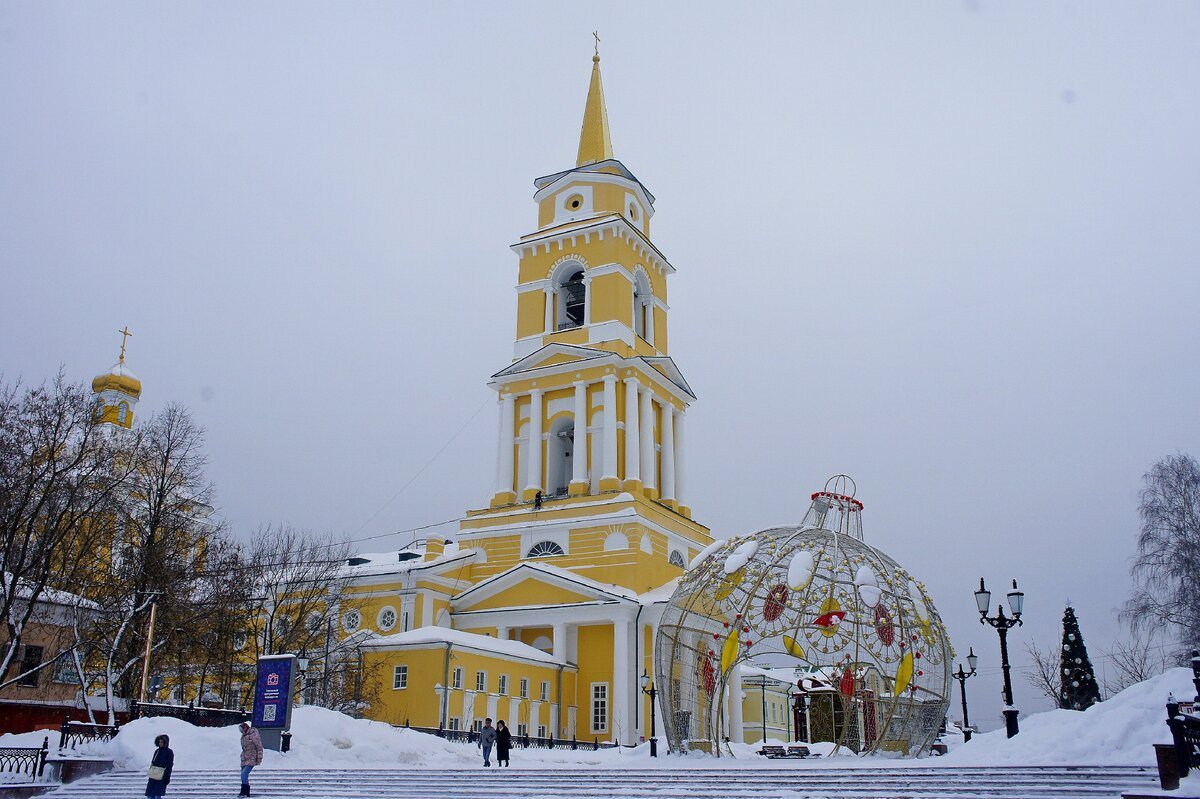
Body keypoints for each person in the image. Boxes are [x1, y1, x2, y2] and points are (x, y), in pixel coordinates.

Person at [239, 722, 264, 796]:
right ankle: (244, 791)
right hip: (244, 758)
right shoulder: (243, 736)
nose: (241, 731)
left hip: (252, 758)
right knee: (243, 775)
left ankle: (245, 791)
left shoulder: (253, 734)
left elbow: (259, 746)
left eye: (242, 729)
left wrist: (259, 757)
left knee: (244, 774)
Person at [144, 734, 173, 799]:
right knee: (149, 794)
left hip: (161, 776)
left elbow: (169, 765)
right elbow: (153, 762)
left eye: (162, 742)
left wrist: (167, 776)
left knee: (157, 794)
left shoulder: (169, 752)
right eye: (159, 742)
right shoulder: (157, 751)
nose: (160, 744)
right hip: (153, 775)